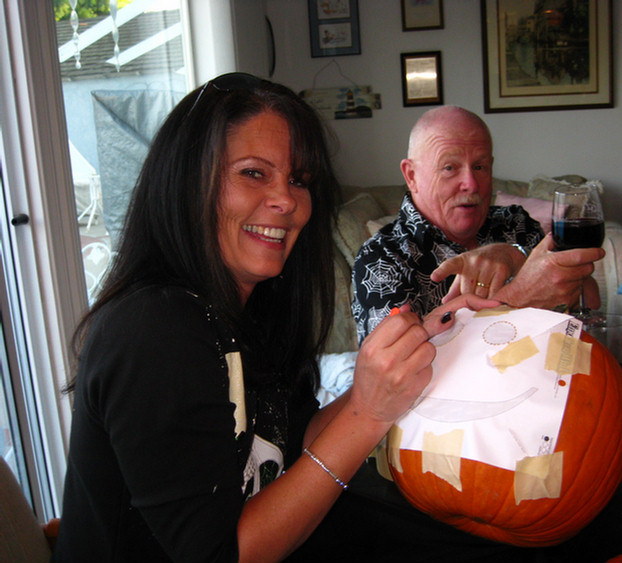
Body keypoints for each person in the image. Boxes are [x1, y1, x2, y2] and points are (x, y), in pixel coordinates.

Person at [51, 73, 494, 563]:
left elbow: (298, 438)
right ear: (188, 180)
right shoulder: (153, 330)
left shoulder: (255, 309)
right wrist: (368, 415)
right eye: (253, 173)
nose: (287, 200)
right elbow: (224, 555)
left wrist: (406, 360)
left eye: (299, 180)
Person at [352, 105, 604, 343]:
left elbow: (590, 302)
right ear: (412, 176)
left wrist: (518, 257)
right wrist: (517, 297)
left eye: (480, 166)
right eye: (450, 167)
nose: (472, 184)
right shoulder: (381, 258)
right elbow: (395, 378)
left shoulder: (516, 224)